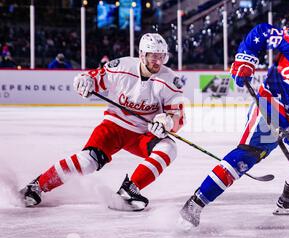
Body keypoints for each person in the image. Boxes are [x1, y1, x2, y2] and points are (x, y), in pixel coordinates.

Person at [178, 14, 289, 229]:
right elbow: (261, 32)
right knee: (248, 155)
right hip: (269, 107)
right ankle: (196, 203)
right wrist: (245, 59)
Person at [20, 33, 185, 211]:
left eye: (162, 57)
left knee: (169, 147)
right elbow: (94, 78)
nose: (158, 62)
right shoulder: (122, 67)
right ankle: (37, 186)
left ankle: (129, 190)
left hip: (143, 133)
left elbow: (178, 117)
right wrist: (85, 81)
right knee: (87, 161)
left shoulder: (170, 81)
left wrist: (166, 123)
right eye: (154, 57)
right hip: (114, 127)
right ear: (142, 55)